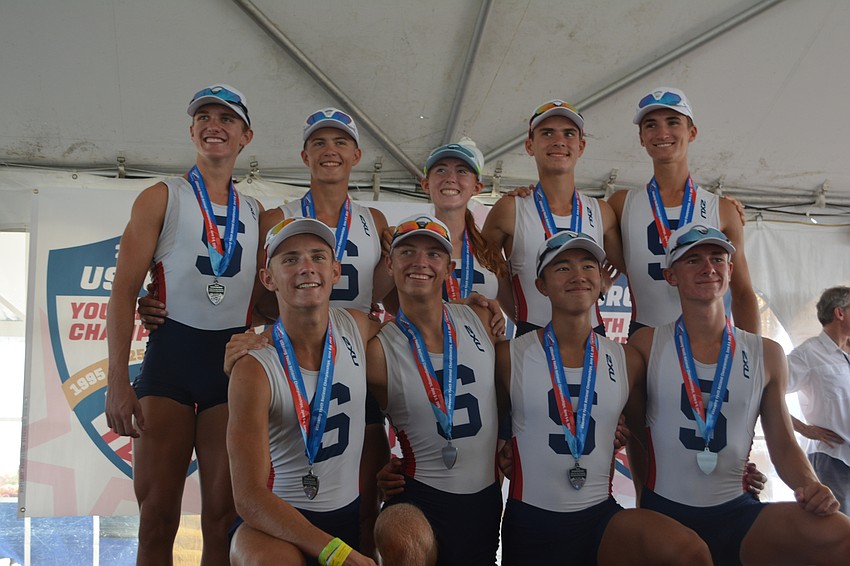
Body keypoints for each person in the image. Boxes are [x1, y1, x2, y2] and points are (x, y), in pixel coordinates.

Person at [105, 84, 262, 564]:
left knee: (222, 521)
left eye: (226, 119)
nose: (214, 126)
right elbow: (124, 291)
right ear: (191, 129)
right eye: (205, 117)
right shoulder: (161, 196)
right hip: (169, 363)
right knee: (156, 520)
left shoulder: (258, 212)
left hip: (228, 371)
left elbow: (271, 299)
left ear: (245, 137)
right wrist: (116, 379)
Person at [629, 223, 850, 565]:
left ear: (730, 270)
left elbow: (783, 443)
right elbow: (633, 432)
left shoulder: (767, 352)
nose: (708, 267)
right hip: (666, 513)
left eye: (718, 258)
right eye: (693, 260)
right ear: (671, 275)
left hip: (738, 514)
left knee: (840, 535)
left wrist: (810, 485)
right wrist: (643, 498)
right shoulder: (645, 345)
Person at [497, 230, 711, 565]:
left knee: (688, 552)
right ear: (541, 286)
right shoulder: (509, 356)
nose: (578, 275)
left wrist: (731, 462)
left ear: (601, 281)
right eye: (562, 267)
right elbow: (481, 434)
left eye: (588, 266)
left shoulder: (627, 359)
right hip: (531, 523)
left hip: (600, 517)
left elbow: (652, 437)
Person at [227, 217, 378, 566]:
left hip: (345, 518)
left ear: (336, 270)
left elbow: (415, 337)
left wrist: (470, 306)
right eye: (290, 259)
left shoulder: (354, 325)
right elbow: (249, 497)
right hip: (276, 524)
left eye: (318, 257)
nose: (306, 268)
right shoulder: (254, 366)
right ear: (268, 278)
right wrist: (339, 555)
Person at [366, 214, 503, 565]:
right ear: (390, 264)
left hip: (484, 501)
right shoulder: (377, 349)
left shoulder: (482, 318)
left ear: (449, 267)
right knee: (404, 540)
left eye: (433, 254)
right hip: (418, 497)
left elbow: (516, 391)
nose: (420, 262)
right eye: (407, 251)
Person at [609, 86, 759, 335]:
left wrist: (755, 355)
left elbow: (743, 293)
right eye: (651, 125)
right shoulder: (620, 203)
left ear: (692, 132)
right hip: (645, 339)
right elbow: (573, 214)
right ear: (641, 138)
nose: (662, 132)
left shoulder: (721, 209)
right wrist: (523, 195)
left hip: (711, 341)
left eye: (673, 122)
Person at [482, 100, 625, 336]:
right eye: (547, 133)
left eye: (569, 134)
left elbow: (637, 269)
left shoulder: (602, 211)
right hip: (532, 337)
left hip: (594, 339)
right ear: (530, 145)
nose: (559, 141)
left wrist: (597, 287)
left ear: (581, 146)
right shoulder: (509, 209)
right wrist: (522, 320)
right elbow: (486, 272)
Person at [420, 141, 509, 305]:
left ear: (477, 187)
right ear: (425, 184)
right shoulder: (408, 245)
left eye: (461, 171)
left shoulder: (488, 251)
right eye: (441, 170)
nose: (450, 179)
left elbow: (515, 312)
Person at [787, 286, 850, 515]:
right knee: (838, 534)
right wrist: (803, 429)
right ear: (840, 313)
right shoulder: (807, 354)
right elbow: (765, 391)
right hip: (833, 459)